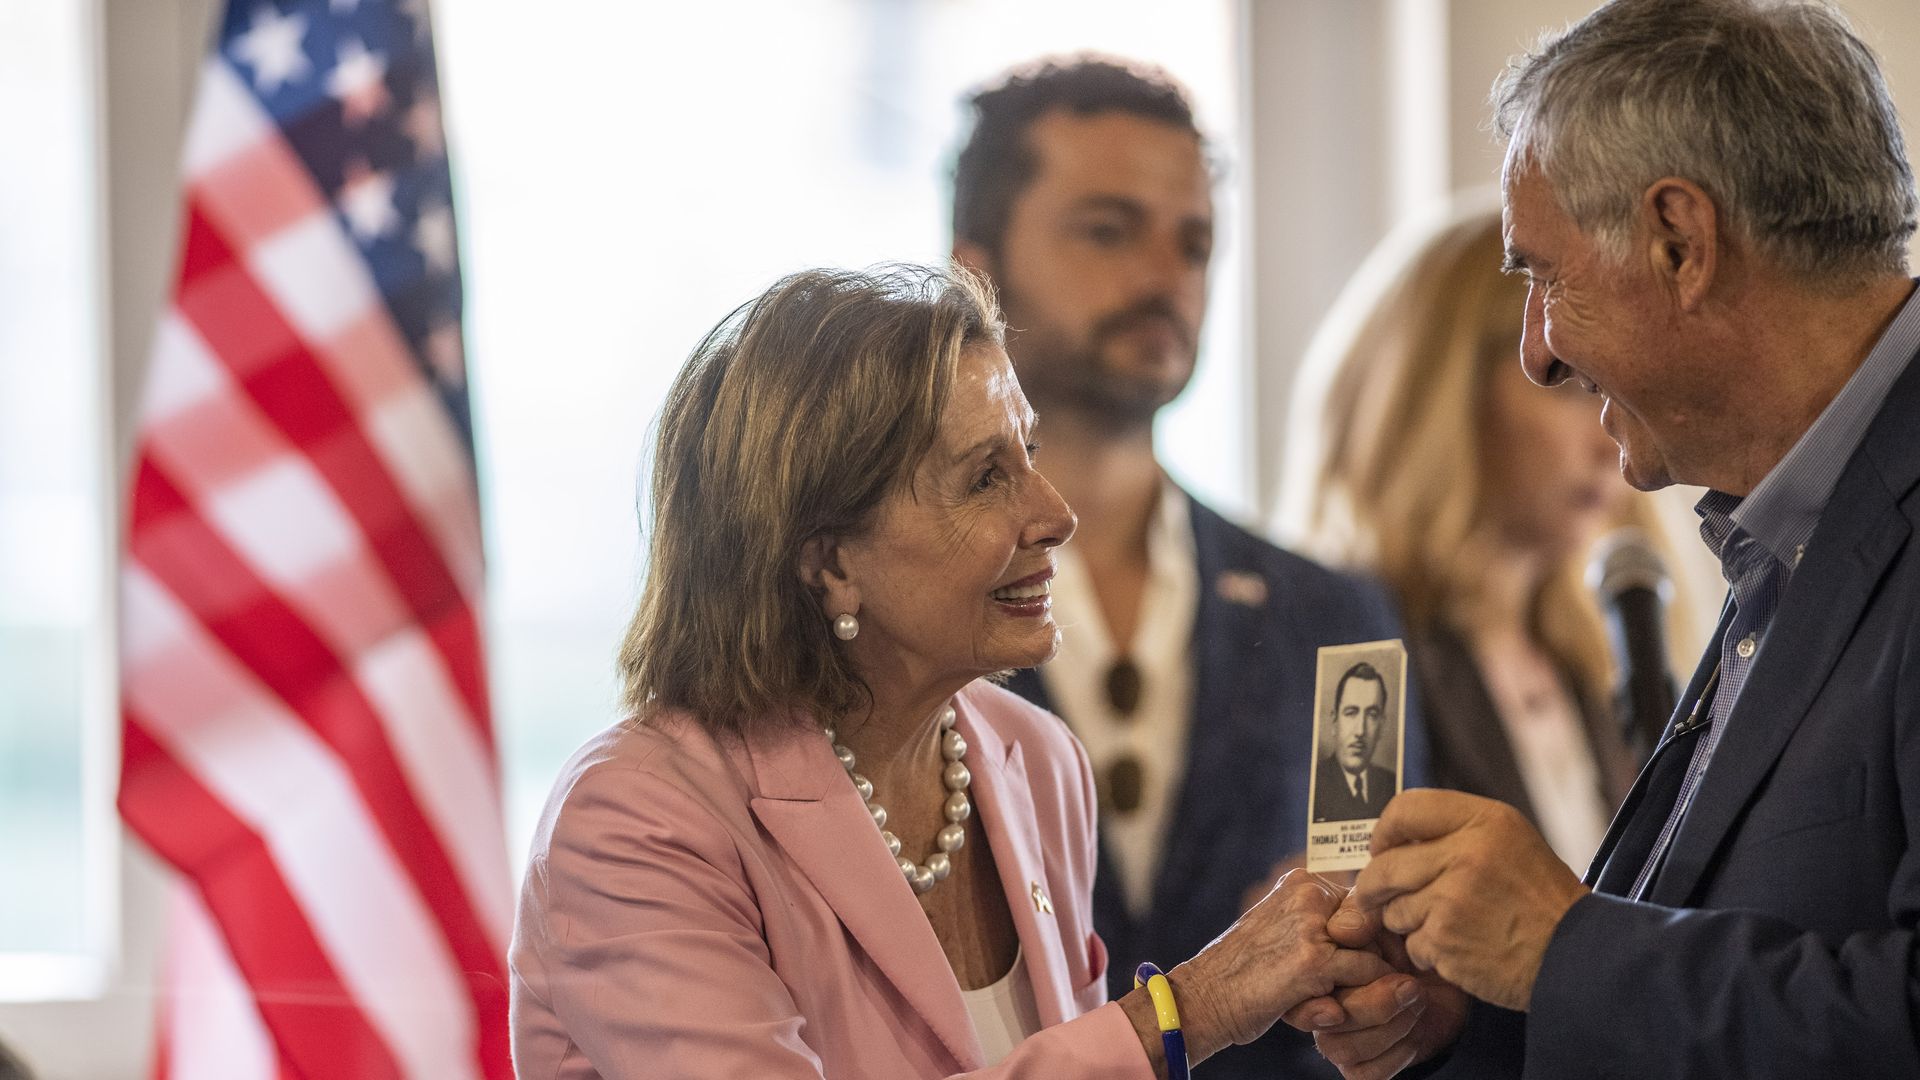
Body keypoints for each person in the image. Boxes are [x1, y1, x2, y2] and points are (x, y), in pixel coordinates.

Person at [507, 265, 1394, 1078]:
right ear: (829, 563)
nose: (1055, 517)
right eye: (984, 479)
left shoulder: (1035, 758)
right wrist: (1188, 1008)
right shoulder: (636, 819)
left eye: (1030, 457)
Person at [1305, 2, 1920, 1077]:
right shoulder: (1789, 526)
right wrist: (1486, 1008)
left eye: (1543, 276)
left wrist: (1559, 953)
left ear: (1681, 241)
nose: (1539, 354)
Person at [950, 57, 1426, 1080]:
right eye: (1108, 229)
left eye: (1195, 241)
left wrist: (1370, 954)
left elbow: (1397, 962)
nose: (1165, 271)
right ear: (972, 268)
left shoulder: (1332, 617)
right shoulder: (899, 614)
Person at [1286, 205, 1696, 870]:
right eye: (1572, 386)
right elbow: (1347, 915)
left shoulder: (1602, 662)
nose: (1609, 433)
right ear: (1441, 390)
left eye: (1618, 387)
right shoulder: (1354, 653)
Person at [1312, 663, 1395, 823]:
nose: (1360, 731)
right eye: (1351, 713)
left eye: (1371, 715)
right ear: (1335, 720)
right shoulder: (1313, 785)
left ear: (1382, 726)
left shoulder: (1392, 785)